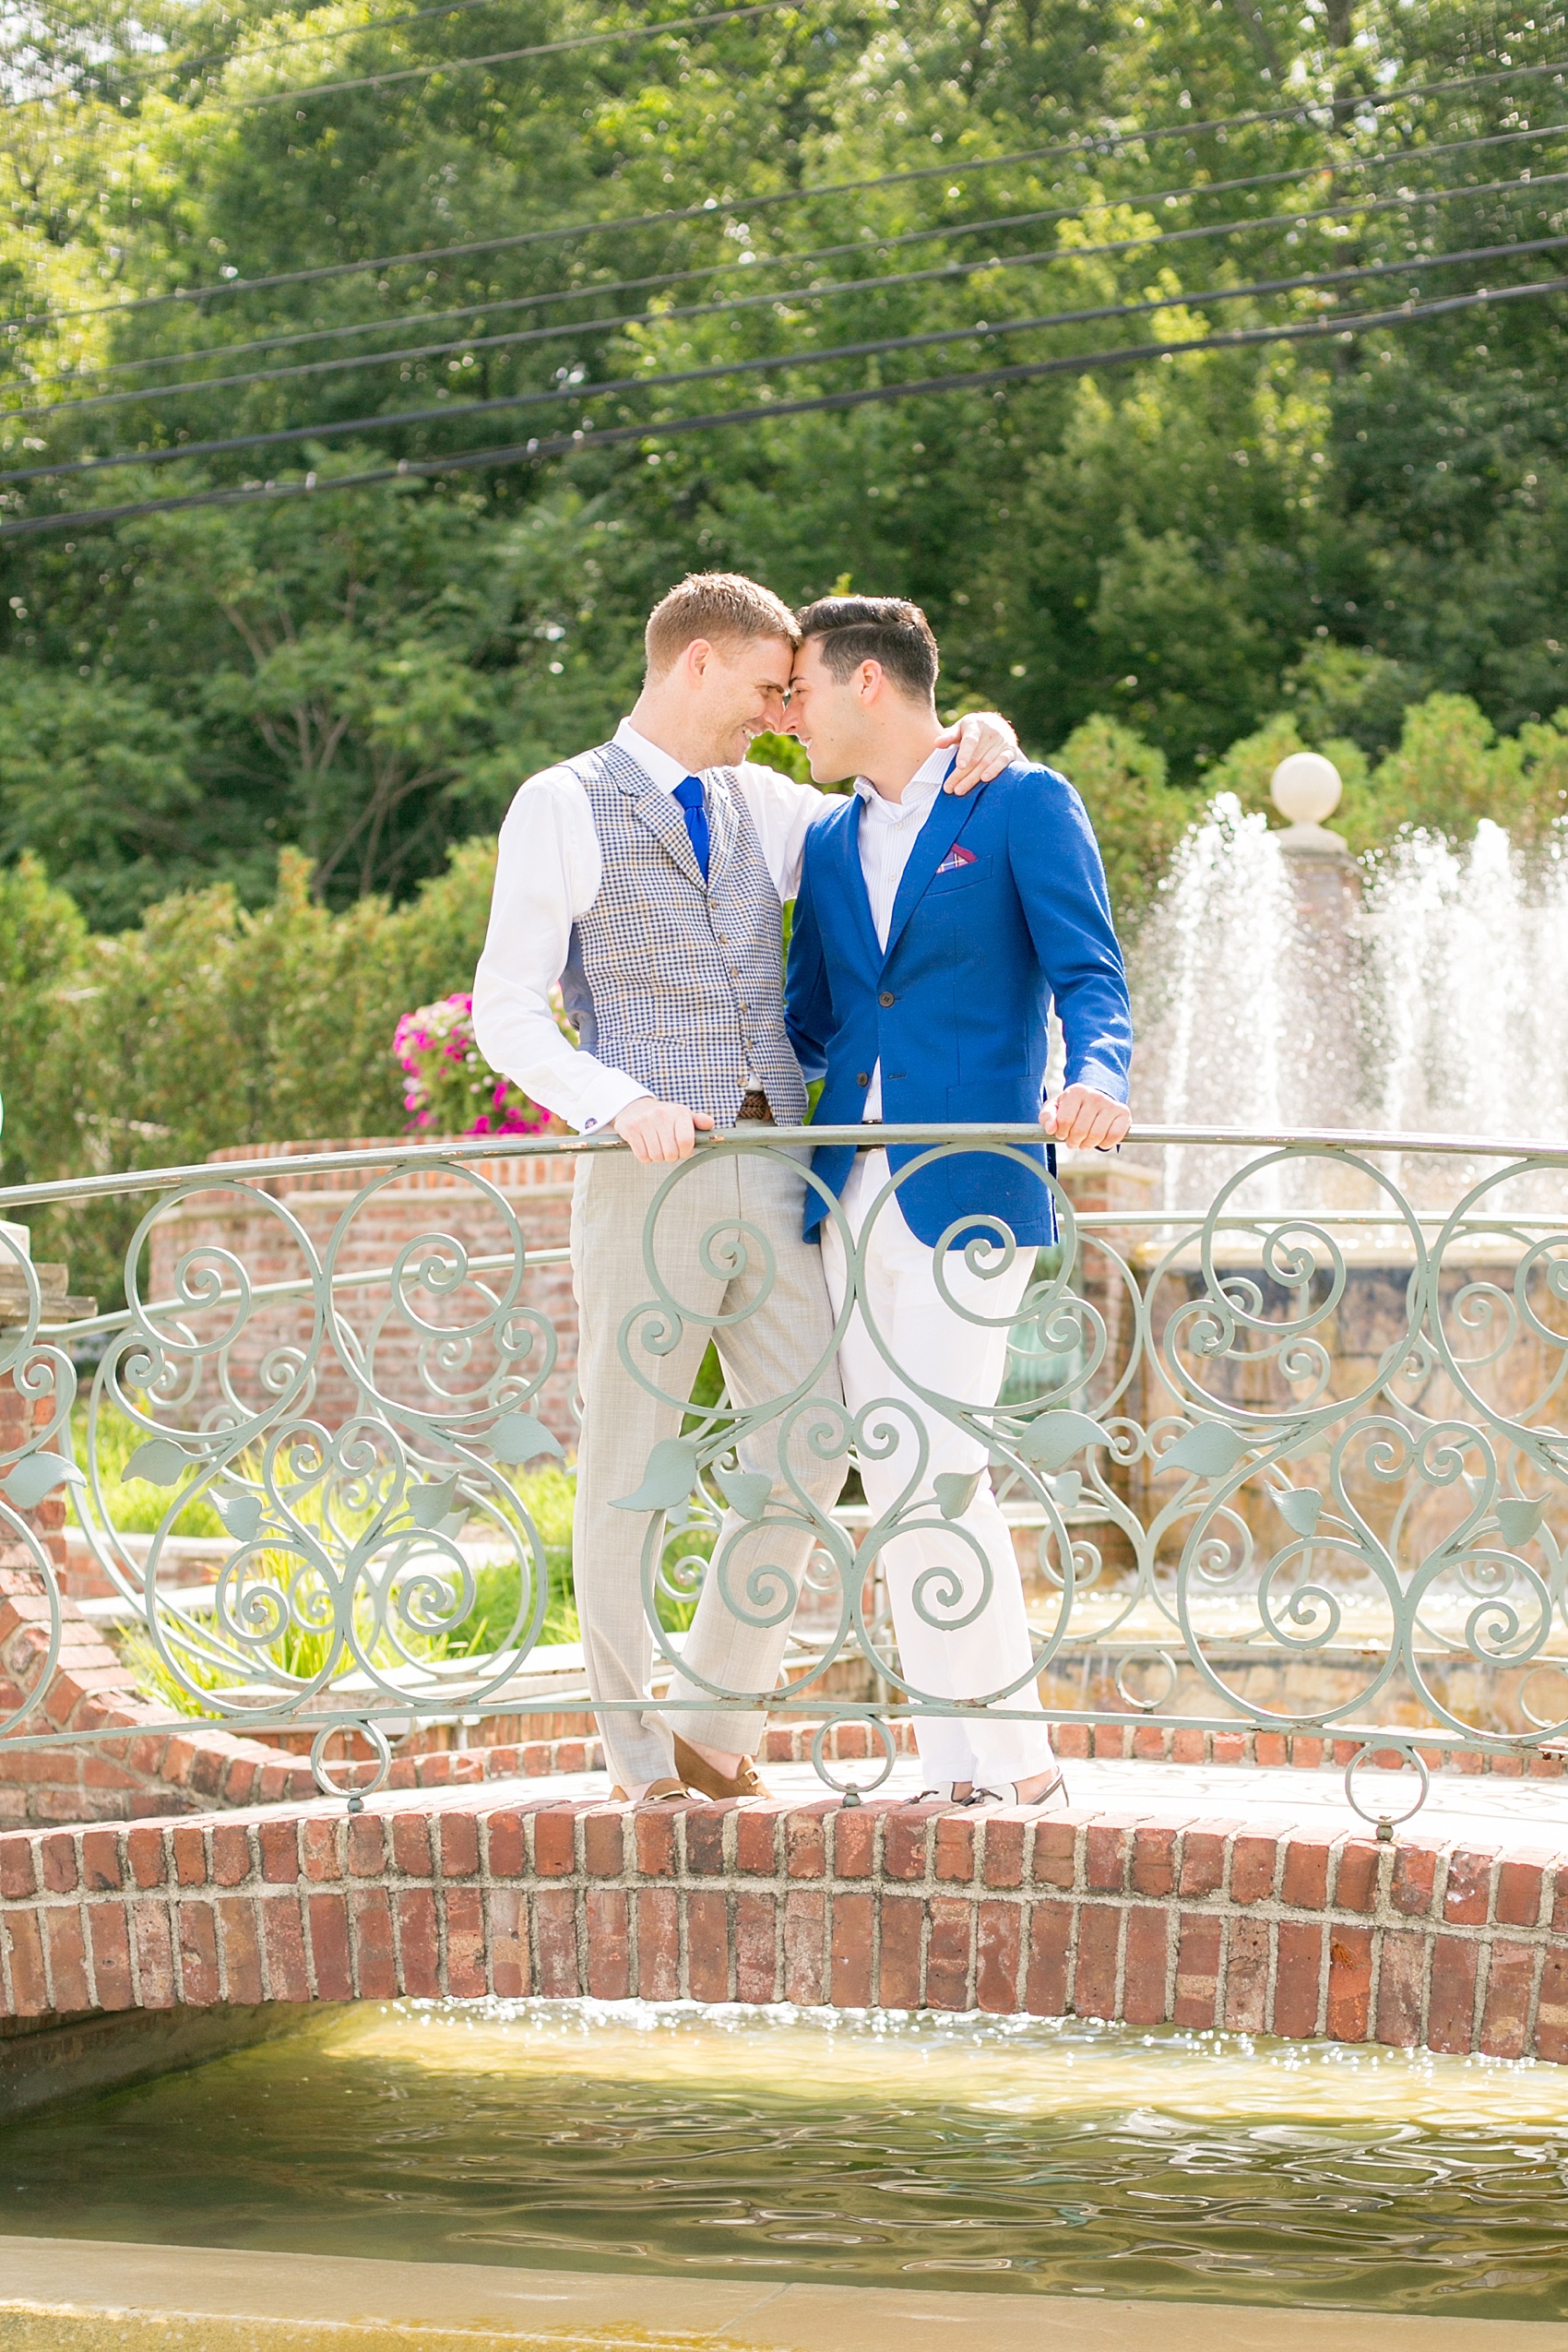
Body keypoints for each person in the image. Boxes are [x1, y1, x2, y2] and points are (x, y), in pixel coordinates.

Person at [472, 572, 1019, 1804]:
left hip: (777, 1174)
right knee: (629, 1459)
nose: (783, 716)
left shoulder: (762, 802)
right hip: (647, 1178)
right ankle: (635, 1765)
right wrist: (618, 1099)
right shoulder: (559, 803)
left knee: (815, 1436)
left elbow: (894, 802)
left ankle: (711, 1726)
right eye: (772, 690)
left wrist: (979, 736)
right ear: (700, 664)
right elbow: (504, 1010)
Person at [783, 595, 1133, 1809]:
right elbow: (815, 1011)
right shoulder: (827, 841)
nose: (792, 719)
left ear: (868, 680)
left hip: (973, 1178)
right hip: (848, 1185)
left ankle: (1023, 1761)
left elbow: (1092, 970)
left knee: (939, 1457)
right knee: (893, 1462)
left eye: (805, 692)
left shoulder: (1020, 799)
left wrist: (1095, 1074)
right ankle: (954, 1766)